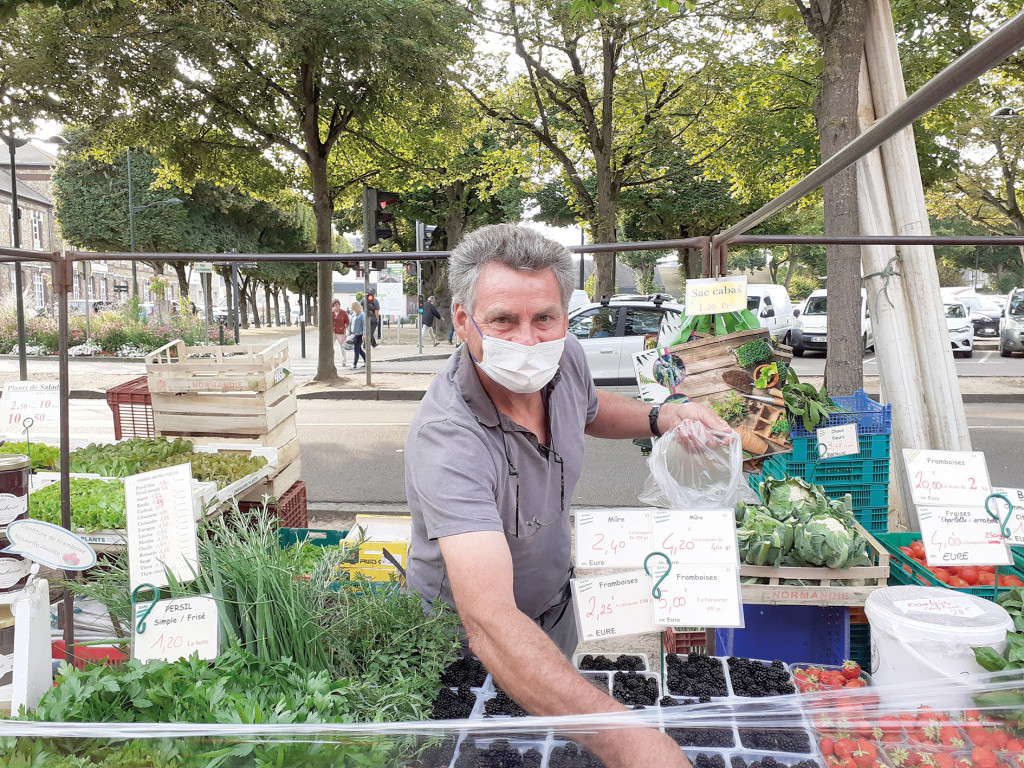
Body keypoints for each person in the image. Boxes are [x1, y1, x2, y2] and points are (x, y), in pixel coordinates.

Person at [405, 224, 728, 768]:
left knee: (548, 744)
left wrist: (662, 417)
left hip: (554, 610)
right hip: (459, 645)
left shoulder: (565, 357)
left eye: (545, 318)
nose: (529, 341)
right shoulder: (448, 440)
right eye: (503, 320)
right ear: (463, 320)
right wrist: (631, 740)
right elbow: (488, 620)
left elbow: (591, 408)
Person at [331, 298, 350, 367]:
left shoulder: (343, 312)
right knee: (331, 346)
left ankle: (344, 360)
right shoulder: (331, 312)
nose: (336, 306)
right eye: (335, 305)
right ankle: (331, 360)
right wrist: (331, 312)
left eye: (338, 305)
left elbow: (347, 321)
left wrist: (344, 326)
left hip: (341, 332)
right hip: (332, 332)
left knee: (342, 347)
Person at [349, 301, 365, 369]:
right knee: (359, 350)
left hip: (359, 335)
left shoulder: (362, 315)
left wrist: (364, 334)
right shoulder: (353, 315)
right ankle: (367, 360)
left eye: (352, 307)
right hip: (354, 334)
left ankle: (354, 364)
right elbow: (351, 324)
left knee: (356, 349)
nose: (351, 308)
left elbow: (364, 325)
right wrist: (350, 333)